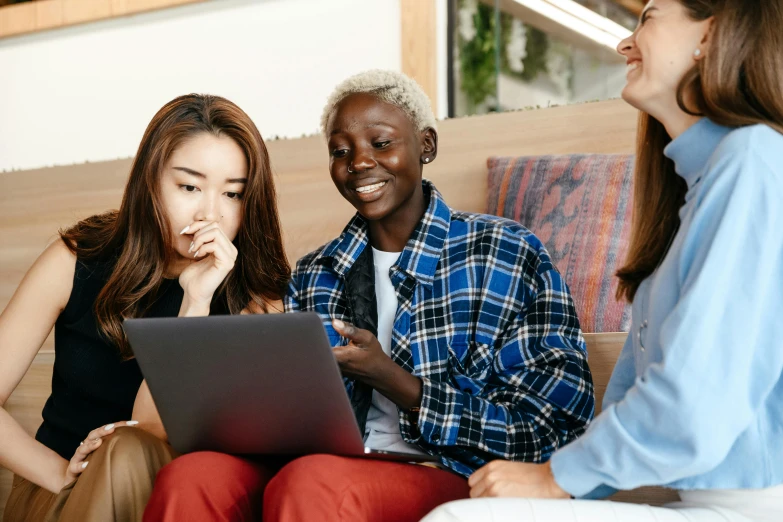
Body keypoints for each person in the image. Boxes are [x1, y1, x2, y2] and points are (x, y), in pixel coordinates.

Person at [142, 70, 594, 522]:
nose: (359, 162)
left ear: (426, 145)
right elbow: (290, 420)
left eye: (381, 143)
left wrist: (397, 382)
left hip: (448, 470)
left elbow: (552, 427)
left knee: (313, 482)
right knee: (192, 476)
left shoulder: (506, 254)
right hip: (323, 465)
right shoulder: (316, 273)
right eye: (342, 151)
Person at [423, 1, 783, 521]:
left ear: (713, 31)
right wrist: (550, 484)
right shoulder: (692, 196)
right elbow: (631, 399)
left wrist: (553, 479)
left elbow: (693, 406)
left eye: (650, 16)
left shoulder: (753, 160)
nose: (624, 43)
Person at [1, 94, 290, 522]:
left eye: (232, 194)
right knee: (125, 453)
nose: (209, 213)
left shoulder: (256, 298)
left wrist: (196, 301)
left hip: (170, 501)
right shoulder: (79, 258)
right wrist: (58, 471)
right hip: (59, 497)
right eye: (189, 187)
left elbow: (151, 428)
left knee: (132, 451)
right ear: (150, 181)